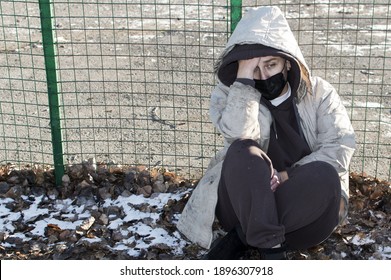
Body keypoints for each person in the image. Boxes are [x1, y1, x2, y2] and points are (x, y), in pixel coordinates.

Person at [177, 6, 356, 259]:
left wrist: (284, 176)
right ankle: (271, 252)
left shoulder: (320, 93)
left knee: (326, 174)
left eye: (271, 65)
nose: (264, 75)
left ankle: (242, 237)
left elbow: (339, 149)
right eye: (254, 68)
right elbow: (239, 134)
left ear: (288, 62)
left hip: (304, 214)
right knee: (241, 150)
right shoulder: (232, 93)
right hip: (244, 203)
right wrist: (244, 81)